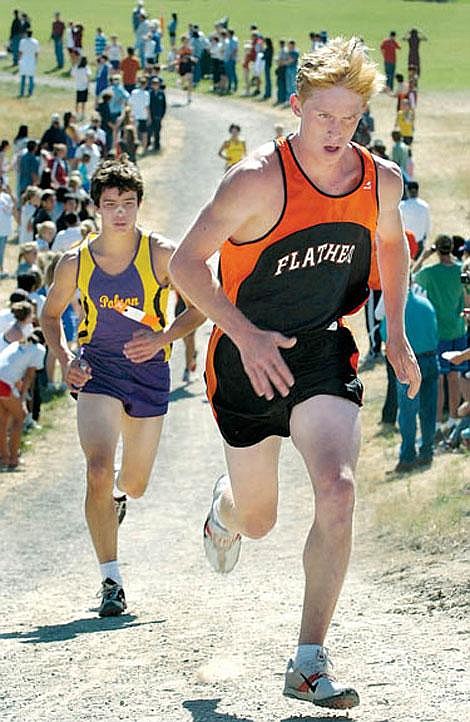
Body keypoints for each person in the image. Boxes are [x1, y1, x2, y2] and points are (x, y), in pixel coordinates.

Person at [169, 37, 421, 711]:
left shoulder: (379, 181)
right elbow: (185, 265)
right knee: (259, 521)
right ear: (297, 107)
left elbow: (392, 246)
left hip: (319, 350)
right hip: (245, 357)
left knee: (337, 491)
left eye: (350, 118)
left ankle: (308, 663)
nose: (337, 132)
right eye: (323, 117)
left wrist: (394, 331)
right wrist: (244, 335)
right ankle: (226, 507)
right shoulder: (255, 180)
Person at [41, 156, 205, 617]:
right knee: (96, 468)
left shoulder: (161, 253)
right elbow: (49, 315)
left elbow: (201, 307)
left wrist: (162, 337)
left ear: (139, 205)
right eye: (110, 204)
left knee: (133, 483)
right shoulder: (75, 262)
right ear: (96, 207)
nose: (119, 213)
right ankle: (110, 579)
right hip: (99, 371)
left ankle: (116, 496)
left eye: (127, 204)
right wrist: (67, 358)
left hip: (150, 374)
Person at [381, 280, 439, 472]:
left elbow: (384, 335)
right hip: (431, 360)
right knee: (428, 410)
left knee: (407, 412)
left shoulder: (396, 313)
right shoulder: (426, 304)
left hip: (409, 364)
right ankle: (427, 451)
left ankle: (407, 456)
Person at [414, 234, 467, 434]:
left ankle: (437, 422)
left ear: (437, 249)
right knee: (455, 376)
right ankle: (454, 417)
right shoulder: (462, 269)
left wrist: (424, 256)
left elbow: (410, 275)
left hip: (439, 333)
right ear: (452, 247)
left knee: (439, 379)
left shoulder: (429, 273)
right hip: (459, 329)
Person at [0, 331, 46, 469]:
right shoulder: (39, 349)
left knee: (3, 420)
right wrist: (22, 398)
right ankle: (14, 458)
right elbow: (29, 376)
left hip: (4, 382)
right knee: (20, 417)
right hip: (5, 384)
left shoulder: (17, 344)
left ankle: (4, 457)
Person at [399, 181, 431, 256]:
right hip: (419, 242)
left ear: (407, 191)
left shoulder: (401, 206)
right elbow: (427, 226)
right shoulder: (425, 206)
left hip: (406, 241)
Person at [130, 77, 150, 153]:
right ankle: (144, 148)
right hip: (143, 115)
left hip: (134, 114)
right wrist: (149, 116)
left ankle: (133, 148)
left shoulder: (133, 92)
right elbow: (147, 106)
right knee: (144, 133)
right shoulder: (146, 94)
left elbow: (130, 103)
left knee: (134, 132)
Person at [0, 182, 15, 278]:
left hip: (4, 229)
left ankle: (0, 269)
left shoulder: (6, 197)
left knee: (1, 251)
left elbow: (11, 209)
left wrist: (11, 194)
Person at [18, 29, 40, 98]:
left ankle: (22, 92)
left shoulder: (22, 41)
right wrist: (36, 60)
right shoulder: (35, 42)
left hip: (24, 60)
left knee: (23, 77)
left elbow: (20, 52)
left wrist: (19, 59)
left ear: (26, 34)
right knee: (31, 77)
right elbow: (36, 53)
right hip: (31, 60)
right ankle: (30, 92)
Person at [148, 77, 166, 152]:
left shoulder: (161, 93)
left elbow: (164, 105)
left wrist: (162, 115)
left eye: (157, 84)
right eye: (154, 84)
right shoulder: (149, 93)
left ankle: (157, 145)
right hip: (150, 115)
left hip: (158, 115)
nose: (155, 85)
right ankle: (148, 144)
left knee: (157, 131)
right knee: (149, 130)